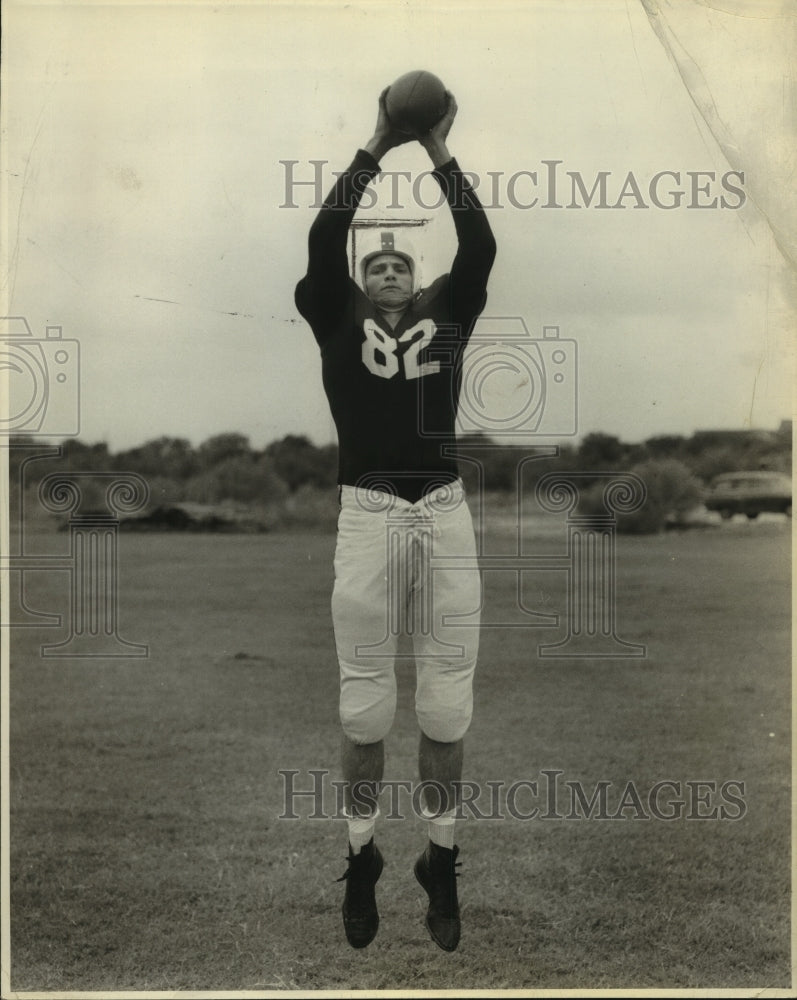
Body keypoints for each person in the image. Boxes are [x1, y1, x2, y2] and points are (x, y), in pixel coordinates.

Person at [294, 86, 496, 952]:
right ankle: (362, 854)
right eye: (374, 266)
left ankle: (439, 860)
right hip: (368, 516)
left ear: (419, 280)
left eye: (399, 266)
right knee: (365, 709)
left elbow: (479, 246)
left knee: (446, 708)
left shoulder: (447, 312)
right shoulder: (334, 315)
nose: (385, 270)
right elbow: (323, 240)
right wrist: (376, 145)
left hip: (442, 515)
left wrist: (438, 150)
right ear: (359, 281)